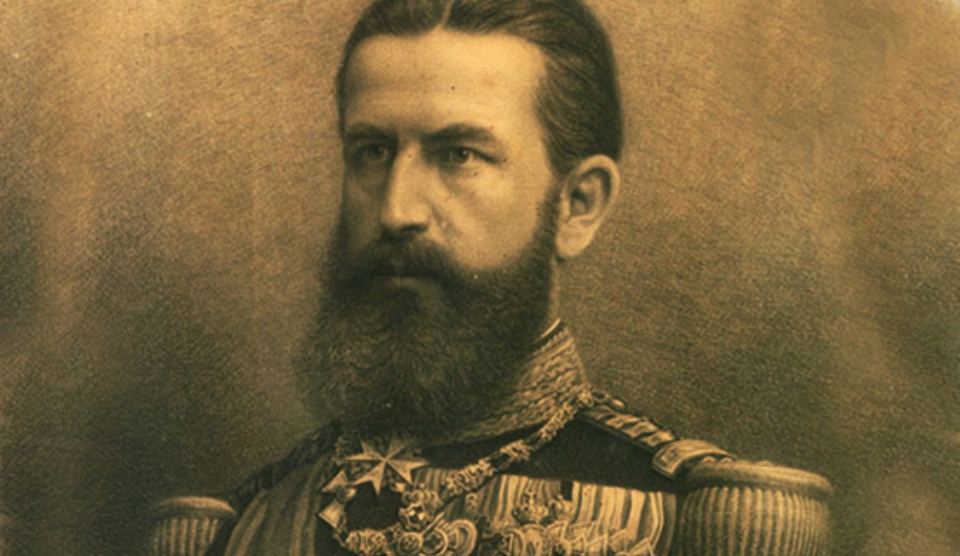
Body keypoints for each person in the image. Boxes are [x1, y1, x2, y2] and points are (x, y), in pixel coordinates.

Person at [149, 1, 832, 554]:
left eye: (459, 155)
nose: (396, 211)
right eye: (374, 151)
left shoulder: (690, 517)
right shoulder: (245, 524)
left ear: (578, 205)